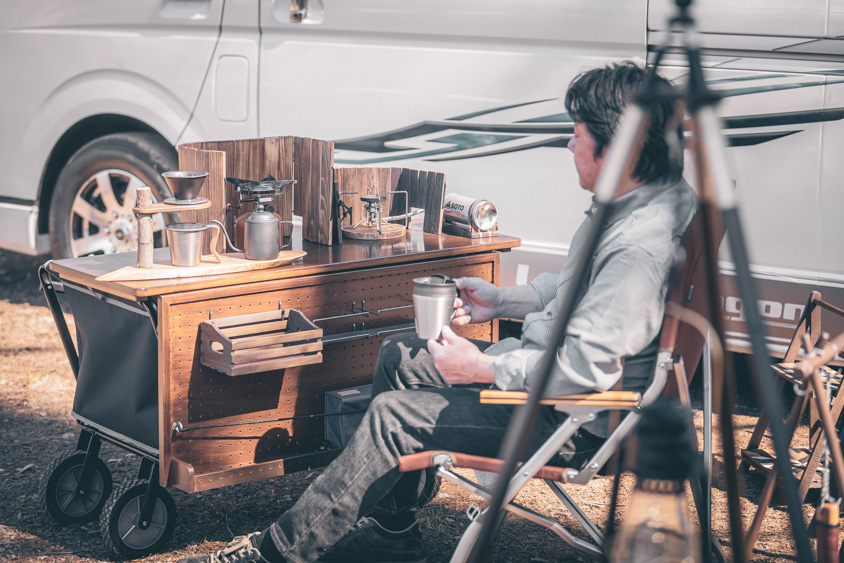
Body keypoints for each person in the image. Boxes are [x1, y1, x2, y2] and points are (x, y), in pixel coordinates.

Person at [179, 61, 698, 563]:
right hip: (551, 387)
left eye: (578, 133)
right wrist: (505, 300)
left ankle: (275, 554)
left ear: (618, 148)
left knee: (393, 418)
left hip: (570, 420)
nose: (569, 144)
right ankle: (394, 533)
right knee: (400, 355)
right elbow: (581, 290)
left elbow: (585, 369)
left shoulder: (637, 249)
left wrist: (485, 368)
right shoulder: (646, 200)